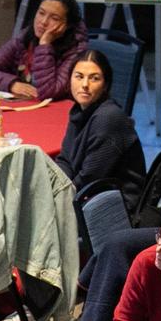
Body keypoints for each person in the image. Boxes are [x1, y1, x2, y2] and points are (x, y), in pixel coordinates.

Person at [54, 49, 147, 214]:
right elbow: (65, 161)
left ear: (105, 85)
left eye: (94, 78)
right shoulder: (79, 111)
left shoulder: (108, 118)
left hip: (117, 209)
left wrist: (56, 197)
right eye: (79, 76)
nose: (84, 85)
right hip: (89, 197)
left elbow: (89, 178)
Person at [0, 0, 87, 102]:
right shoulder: (25, 37)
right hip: (24, 105)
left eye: (54, 18)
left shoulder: (76, 50)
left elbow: (48, 92)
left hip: (56, 112)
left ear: (67, 26)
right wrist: (11, 83)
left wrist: (45, 45)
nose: (44, 21)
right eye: (41, 13)